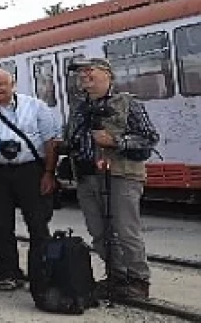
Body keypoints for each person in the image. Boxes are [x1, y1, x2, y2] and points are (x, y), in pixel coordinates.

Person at [64, 57, 160, 299]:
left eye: (89, 71)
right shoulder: (79, 107)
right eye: (80, 74)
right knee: (98, 231)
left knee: (125, 230)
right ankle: (116, 276)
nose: (84, 77)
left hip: (121, 174)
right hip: (87, 176)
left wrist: (117, 141)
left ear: (107, 74)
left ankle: (138, 279)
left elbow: (149, 138)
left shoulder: (128, 103)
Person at [0, 69, 61, 292]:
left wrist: (49, 173)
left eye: (2, 84)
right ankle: (8, 273)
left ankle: (41, 273)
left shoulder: (35, 106)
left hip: (31, 171)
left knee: (38, 224)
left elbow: (51, 142)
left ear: (13, 85)